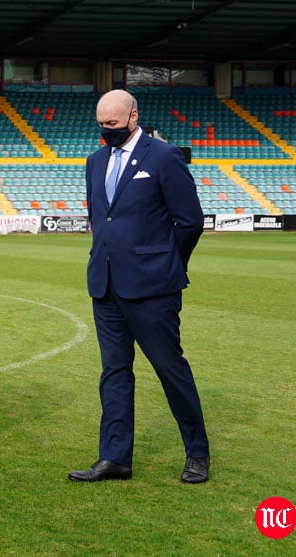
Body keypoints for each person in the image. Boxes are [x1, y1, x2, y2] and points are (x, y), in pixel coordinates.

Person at [69, 89, 210, 484]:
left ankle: (197, 452)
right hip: (106, 286)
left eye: (112, 124)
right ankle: (114, 457)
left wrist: (166, 264)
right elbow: (102, 219)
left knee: (169, 369)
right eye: (100, 125)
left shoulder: (164, 156)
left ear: (133, 116)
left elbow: (190, 221)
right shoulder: (94, 161)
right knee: (114, 372)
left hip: (153, 288)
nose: (105, 131)